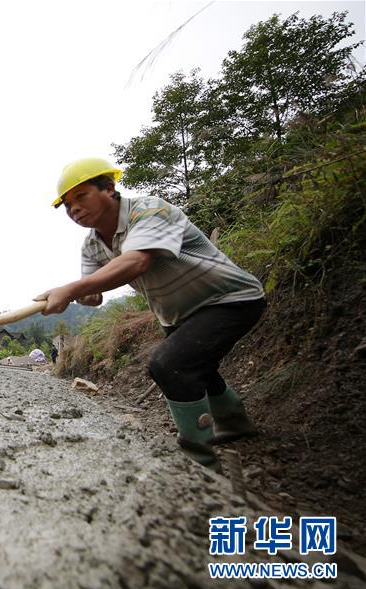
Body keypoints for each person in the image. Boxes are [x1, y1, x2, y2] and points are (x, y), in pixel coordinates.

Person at [34, 157, 265, 469]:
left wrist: (71, 289)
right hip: (179, 316)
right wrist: (71, 297)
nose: (73, 209)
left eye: (81, 196)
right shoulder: (91, 245)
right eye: (67, 205)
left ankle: (200, 461)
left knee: (170, 365)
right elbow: (93, 296)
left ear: (109, 188)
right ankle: (235, 424)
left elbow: (137, 261)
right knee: (198, 367)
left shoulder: (149, 210)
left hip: (229, 299)